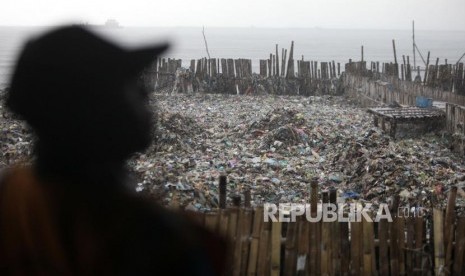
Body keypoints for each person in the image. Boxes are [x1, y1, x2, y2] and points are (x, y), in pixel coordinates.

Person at [0, 25, 225, 275]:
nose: (145, 92)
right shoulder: (151, 240)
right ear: (90, 109)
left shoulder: (14, 199)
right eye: (125, 84)